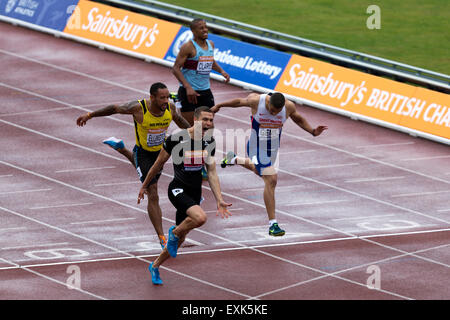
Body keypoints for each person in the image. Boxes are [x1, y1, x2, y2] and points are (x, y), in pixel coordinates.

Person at [76, 82, 191, 249]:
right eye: (162, 98)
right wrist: (90, 114)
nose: (166, 100)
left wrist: (197, 134)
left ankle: (122, 149)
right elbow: (114, 108)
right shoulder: (138, 108)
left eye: (167, 97)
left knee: (148, 178)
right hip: (143, 154)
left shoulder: (170, 108)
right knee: (153, 192)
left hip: (160, 153)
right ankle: (162, 237)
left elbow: (180, 121)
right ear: (152, 98)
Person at [211, 92, 328, 236]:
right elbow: (239, 101)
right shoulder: (257, 101)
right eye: (271, 110)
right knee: (271, 179)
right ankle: (273, 225)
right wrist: (219, 105)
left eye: (276, 112)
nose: (273, 113)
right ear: (268, 102)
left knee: (259, 171)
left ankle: (234, 159)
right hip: (255, 146)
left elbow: (297, 118)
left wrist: (312, 131)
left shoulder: (289, 106)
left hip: (272, 149)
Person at [137, 106, 232, 285]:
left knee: (180, 240)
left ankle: (155, 265)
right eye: (205, 119)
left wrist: (219, 199)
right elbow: (158, 164)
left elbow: (211, 172)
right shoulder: (176, 139)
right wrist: (144, 186)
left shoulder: (209, 142)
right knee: (200, 218)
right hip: (178, 189)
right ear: (195, 120)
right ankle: (174, 232)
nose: (209, 123)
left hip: (194, 193)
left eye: (211, 120)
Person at [172, 18, 230, 126]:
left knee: (207, 126)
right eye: (201, 28)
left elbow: (210, 60)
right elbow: (175, 68)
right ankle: (177, 99)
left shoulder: (211, 44)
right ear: (193, 31)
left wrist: (222, 71)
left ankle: (202, 143)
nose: (205, 30)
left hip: (206, 91)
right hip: (189, 93)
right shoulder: (188, 47)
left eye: (206, 27)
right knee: (189, 127)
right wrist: (188, 87)